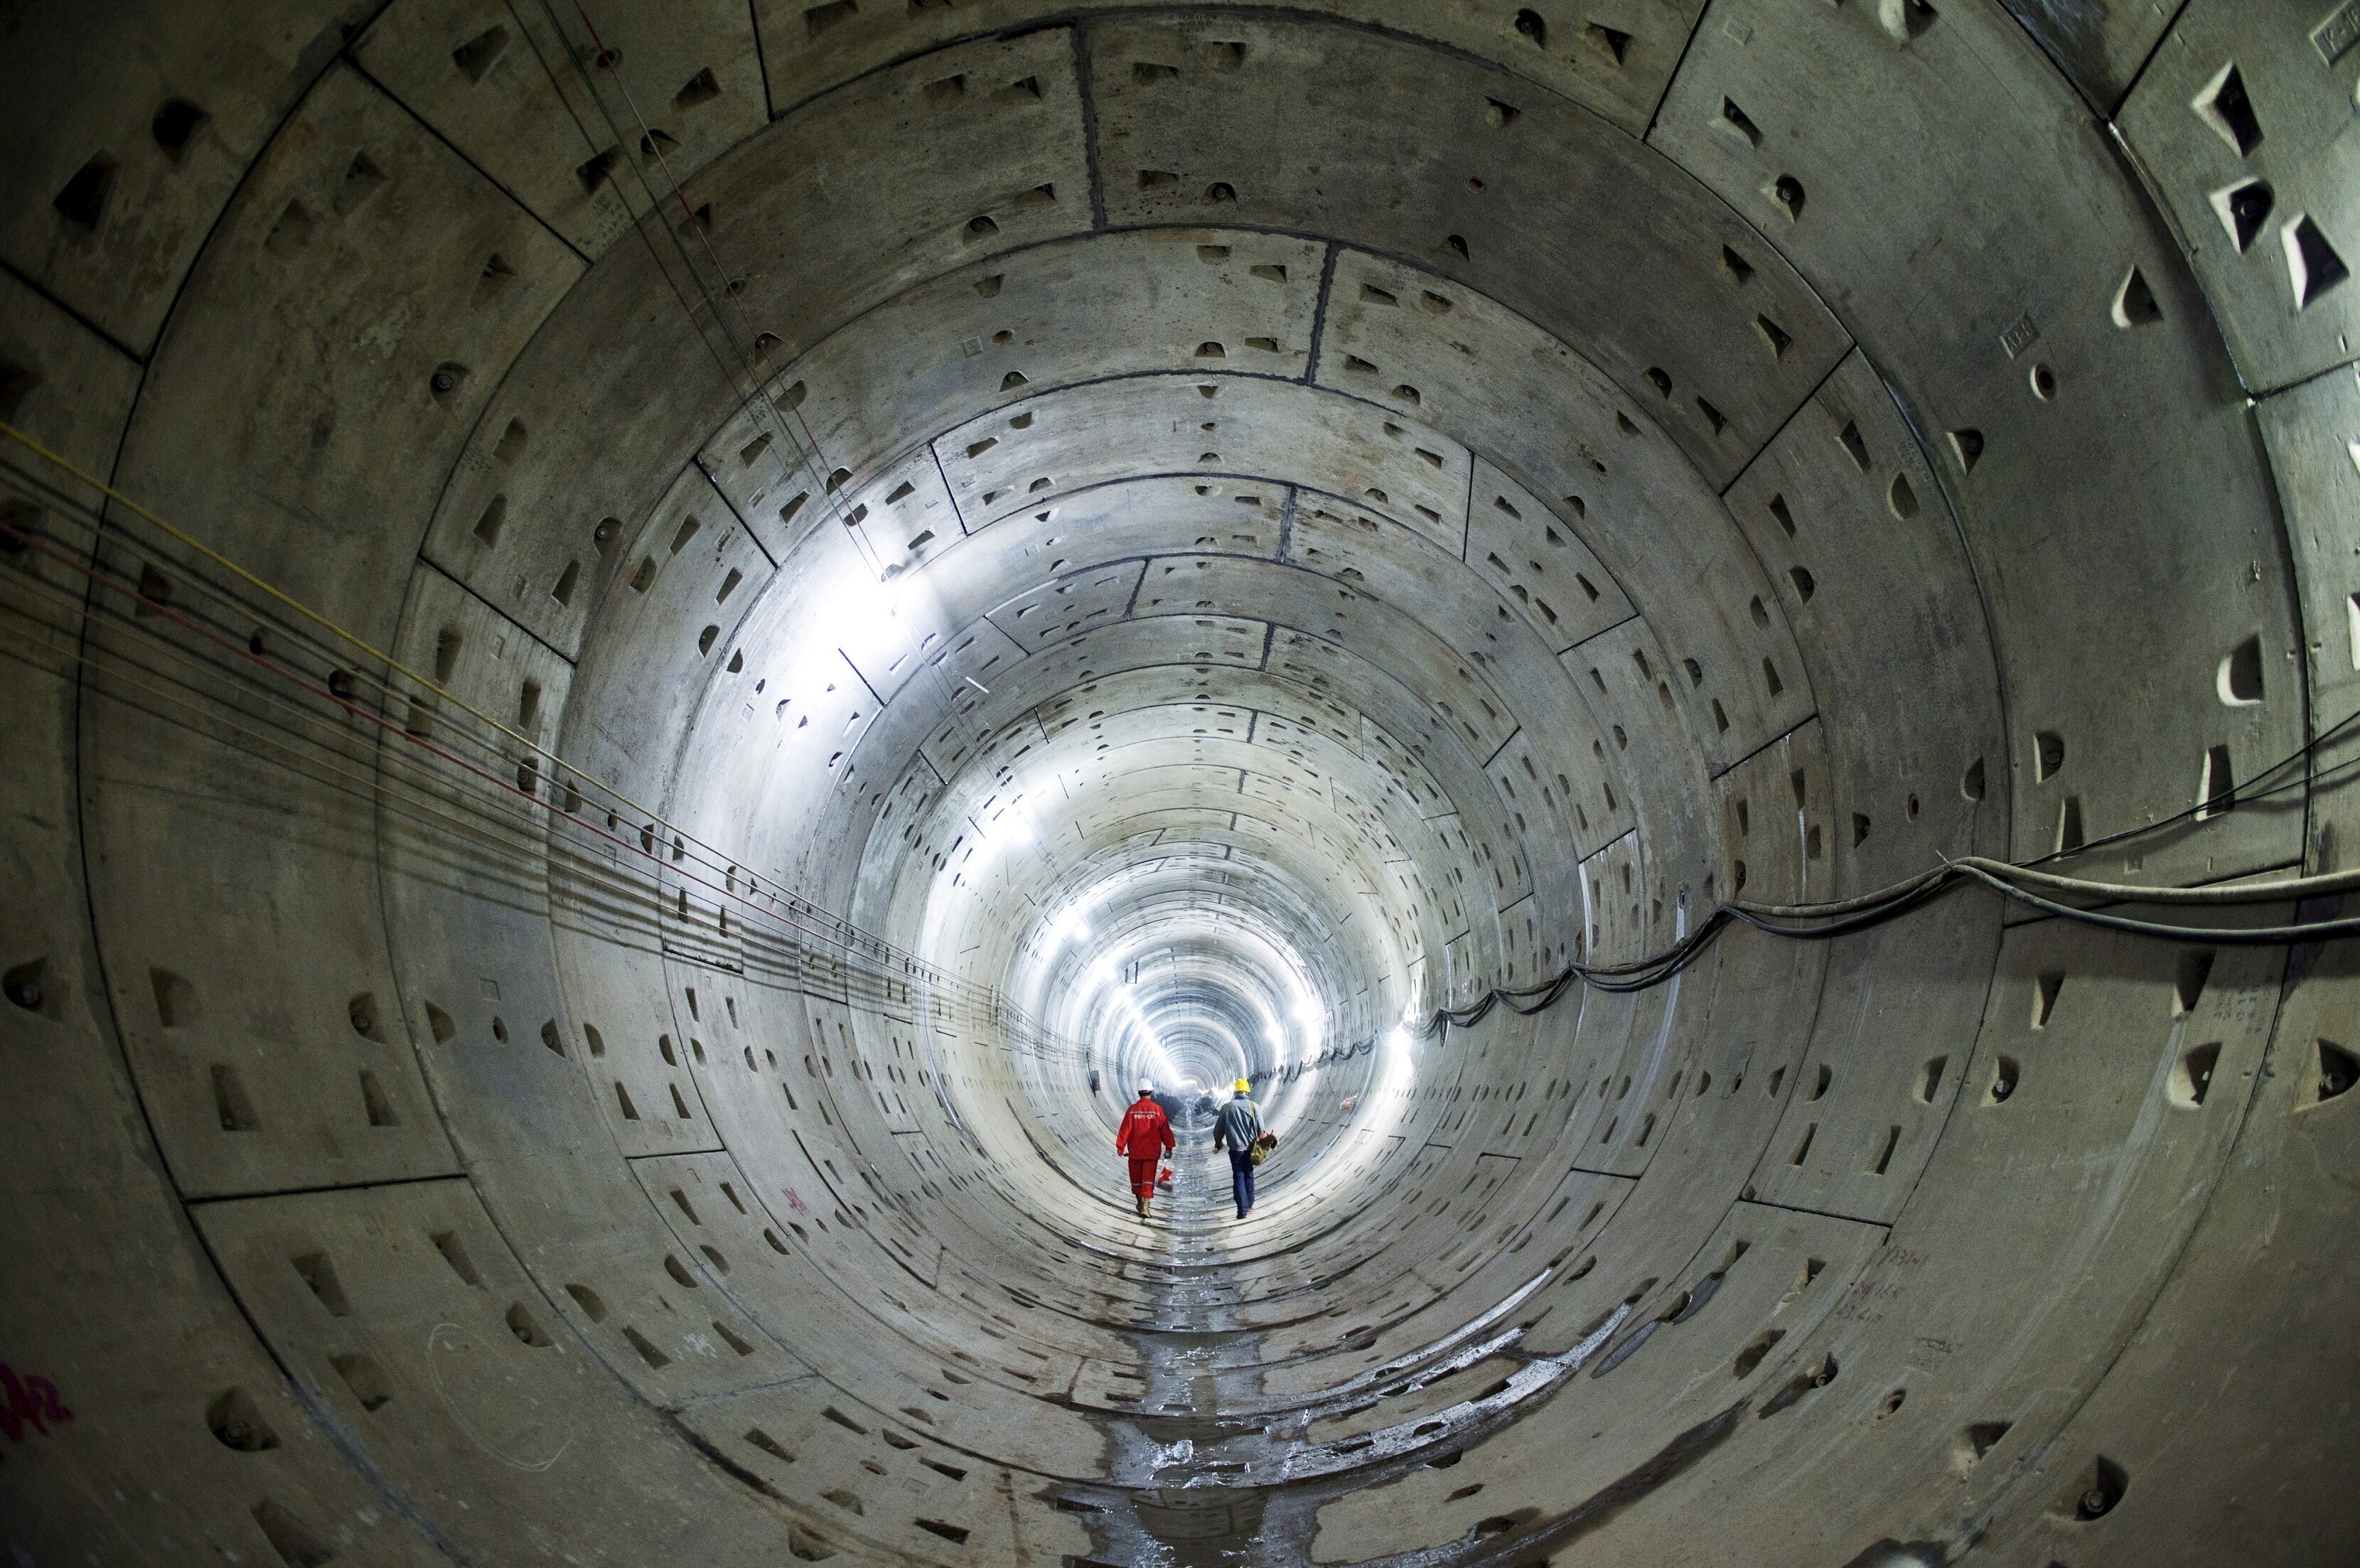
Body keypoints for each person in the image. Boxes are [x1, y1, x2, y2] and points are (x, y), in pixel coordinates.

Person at [1115, 1083, 1174, 1219]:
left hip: (1135, 1151)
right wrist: (1169, 1147)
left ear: (1138, 1093)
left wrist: (1121, 1146)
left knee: (1136, 1179)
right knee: (1148, 1180)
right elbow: (1164, 1130)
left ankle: (1139, 1203)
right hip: (1151, 1152)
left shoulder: (1132, 1110)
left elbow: (1125, 1129)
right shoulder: (1157, 1110)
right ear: (1151, 1093)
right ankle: (1146, 1207)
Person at [1212, 1078, 1263, 1219]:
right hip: (1251, 1149)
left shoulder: (1227, 1107)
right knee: (1249, 1174)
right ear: (1248, 1091)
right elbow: (1261, 1131)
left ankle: (1242, 1210)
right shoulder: (1254, 1107)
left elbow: (1218, 1130)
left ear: (1235, 1092)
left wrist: (1218, 1143)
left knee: (1239, 1176)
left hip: (1235, 1150)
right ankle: (1250, 1205)